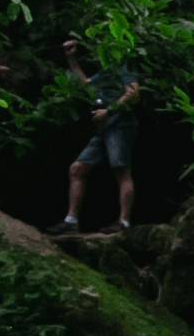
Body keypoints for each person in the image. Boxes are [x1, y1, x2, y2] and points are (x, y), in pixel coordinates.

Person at [57, 40, 141, 231]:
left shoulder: (123, 67)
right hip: (104, 128)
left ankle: (124, 222)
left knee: (121, 170)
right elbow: (86, 85)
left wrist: (109, 111)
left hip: (120, 124)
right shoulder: (107, 72)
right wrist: (72, 60)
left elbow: (134, 93)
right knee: (77, 168)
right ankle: (71, 221)